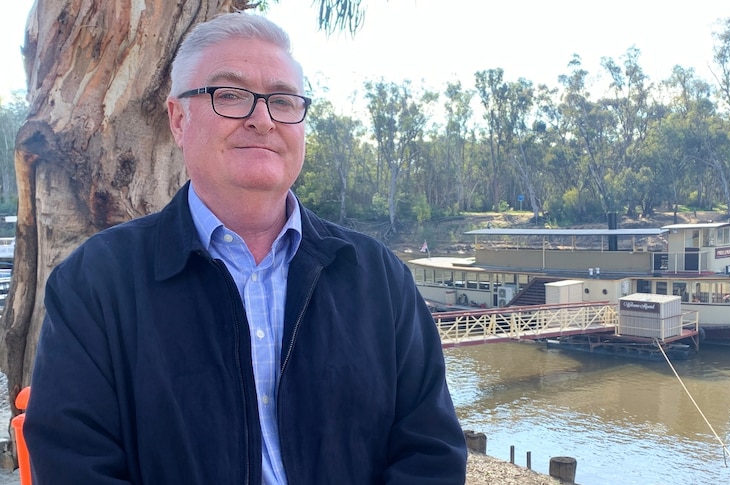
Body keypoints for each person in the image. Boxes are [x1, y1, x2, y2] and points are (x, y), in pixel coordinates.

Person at [24, 13, 467, 485]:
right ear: (178, 118)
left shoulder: (377, 277)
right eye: (230, 95)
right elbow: (74, 464)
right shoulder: (95, 283)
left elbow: (431, 449)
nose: (263, 119)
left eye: (283, 100)